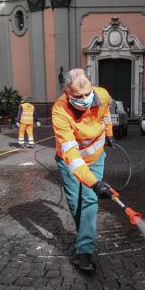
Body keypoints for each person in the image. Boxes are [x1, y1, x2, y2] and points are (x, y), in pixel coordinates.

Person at [52, 68, 116, 272]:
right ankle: (85, 235)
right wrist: (95, 183)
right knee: (74, 202)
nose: (85, 99)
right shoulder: (59, 111)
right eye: (78, 96)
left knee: (89, 199)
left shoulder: (103, 95)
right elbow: (71, 155)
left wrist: (109, 133)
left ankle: (84, 251)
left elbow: (105, 114)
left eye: (88, 94)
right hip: (70, 162)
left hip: (96, 159)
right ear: (66, 92)